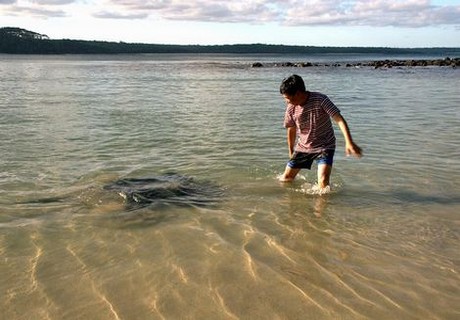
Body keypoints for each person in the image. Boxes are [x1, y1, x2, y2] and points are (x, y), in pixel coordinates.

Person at [279, 74, 362, 190]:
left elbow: (339, 119)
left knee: (323, 184)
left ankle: (321, 207)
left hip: (325, 146)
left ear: (297, 93)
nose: (287, 102)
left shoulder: (321, 99)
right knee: (286, 178)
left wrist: (349, 142)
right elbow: (291, 129)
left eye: (288, 98)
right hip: (303, 146)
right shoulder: (291, 108)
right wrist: (291, 151)